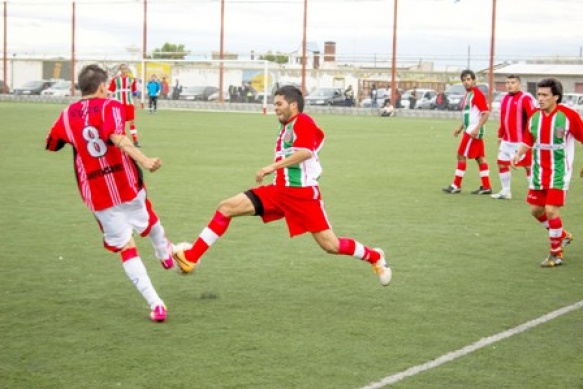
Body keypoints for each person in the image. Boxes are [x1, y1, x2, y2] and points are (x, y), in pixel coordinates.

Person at [172, 85, 392, 287]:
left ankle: (375, 257)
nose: (275, 108)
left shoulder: (303, 121)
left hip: (303, 196)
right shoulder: (288, 126)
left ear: (293, 105)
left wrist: (271, 167)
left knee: (330, 246)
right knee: (226, 207)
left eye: (279, 104)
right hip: (278, 192)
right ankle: (191, 257)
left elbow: (305, 152)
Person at [45, 64, 175, 322]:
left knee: (126, 247)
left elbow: (52, 143)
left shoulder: (66, 114)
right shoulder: (110, 106)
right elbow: (117, 136)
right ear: (103, 87)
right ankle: (164, 255)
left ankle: (156, 304)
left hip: (97, 194)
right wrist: (145, 160)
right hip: (125, 183)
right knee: (149, 219)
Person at [511, 77, 583, 267]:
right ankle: (563, 235)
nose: (540, 99)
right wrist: (518, 154)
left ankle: (556, 253)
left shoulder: (569, 116)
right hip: (538, 171)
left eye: (544, 95)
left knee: (551, 210)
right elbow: (528, 139)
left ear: (556, 97)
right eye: (539, 95)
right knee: (536, 210)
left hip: (559, 171)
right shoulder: (534, 117)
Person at [442, 69, 492, 195]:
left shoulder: (477, 94)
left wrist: (475, 129)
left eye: (468, 79)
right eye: (464, 80)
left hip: (472, 132)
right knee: (480, 158)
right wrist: (460, 128)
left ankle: (456, 185)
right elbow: (469, 115)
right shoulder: (468, 95)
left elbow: (485, 114)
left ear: (474, 80)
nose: (466, 82)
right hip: (470, 130)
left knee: (460, 155)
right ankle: (486, 187)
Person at [491, 74, 536, 200]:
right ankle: (506, 192)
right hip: (507, 140)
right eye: (507, 82)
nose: (509, 85)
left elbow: (533, 118)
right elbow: (503, 118)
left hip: (521, 141)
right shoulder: (504, 98)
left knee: (528, 166)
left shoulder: (525, 98)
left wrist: (530, 137)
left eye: (513, 82)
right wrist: (500, 134)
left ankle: (534, 192)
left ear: (519, 84)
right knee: (501, 163)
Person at [108, 63, 140, 146]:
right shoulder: (115, 80)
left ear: (127, 69)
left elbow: (134, 92)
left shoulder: (131, 80)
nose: (123, 70)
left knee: (132, 122)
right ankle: (122, 139)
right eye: (122, 68)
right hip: (119, 104)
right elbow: (110, 91)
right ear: (120, 69)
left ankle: (135, 140)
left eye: (125, 68)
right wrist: (109, 102)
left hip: (129, 104)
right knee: (120, 122)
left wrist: (136, 103)